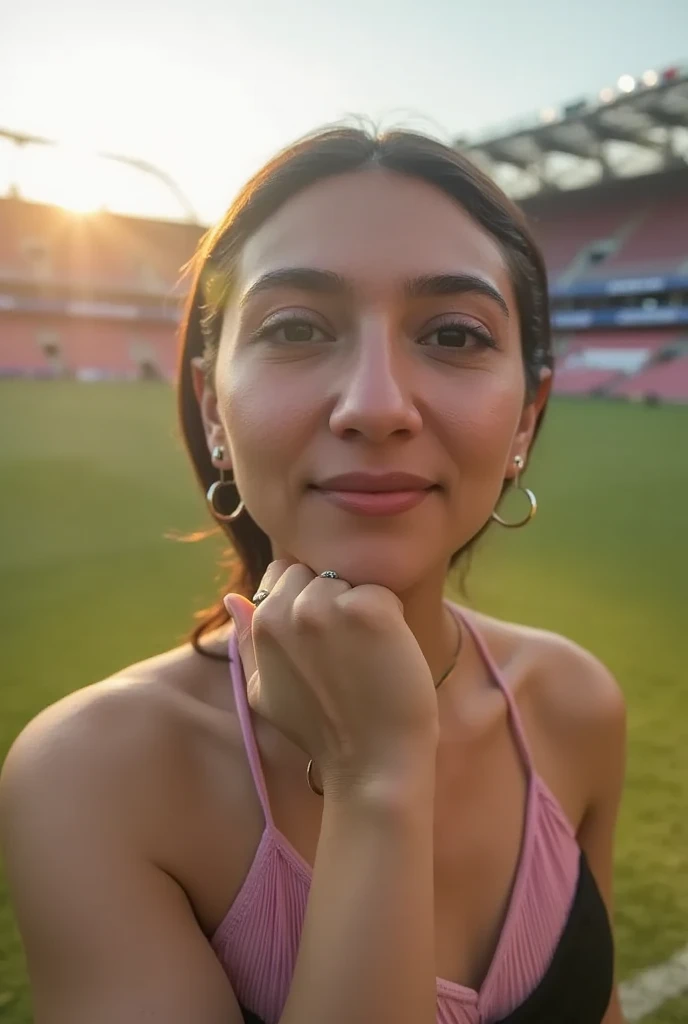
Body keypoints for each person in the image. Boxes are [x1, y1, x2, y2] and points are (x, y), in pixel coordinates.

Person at [0, 127, 627, 1024]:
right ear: (214, 408)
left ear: (526, 417)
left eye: (454, 334)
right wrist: (376, 779)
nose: (376, 405)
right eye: (295, 328)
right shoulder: (93, 778)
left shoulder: (575, 705)